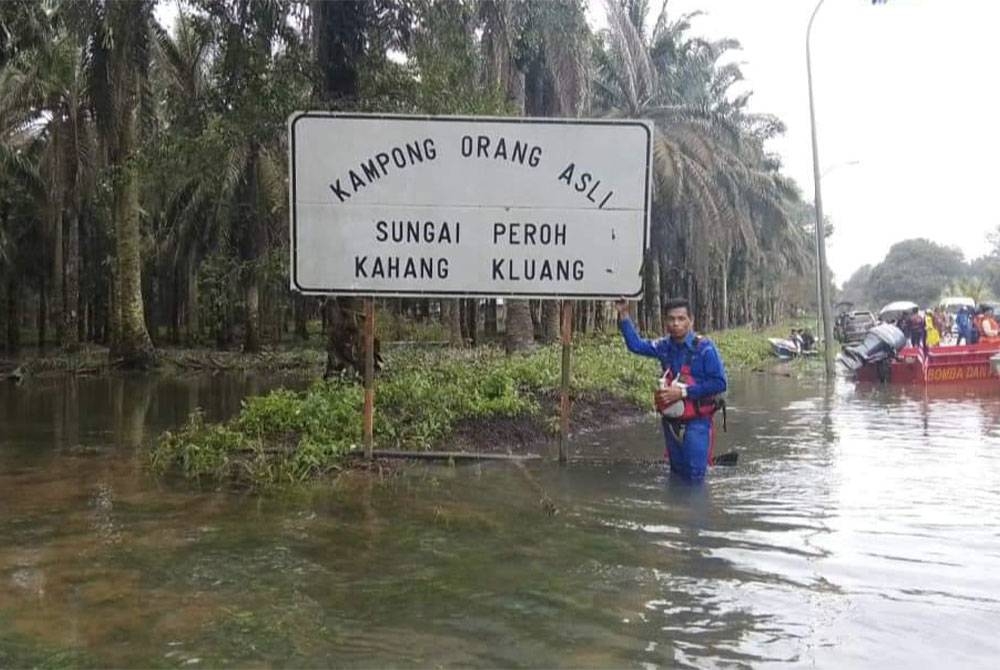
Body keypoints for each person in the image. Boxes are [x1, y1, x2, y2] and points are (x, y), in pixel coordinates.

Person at [615, 297, 728, 481]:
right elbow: (635, 345)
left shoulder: (705, 349)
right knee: (676, 472)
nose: (676, 324)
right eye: (671, 319)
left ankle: (696, 500)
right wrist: (623, 313)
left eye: (681, 318)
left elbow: (720, 383)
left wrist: (683, 392)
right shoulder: (663, 346)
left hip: (698, 420)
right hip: (671, 420)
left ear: (691, 320)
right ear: (665, 321)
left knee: (694, 475)